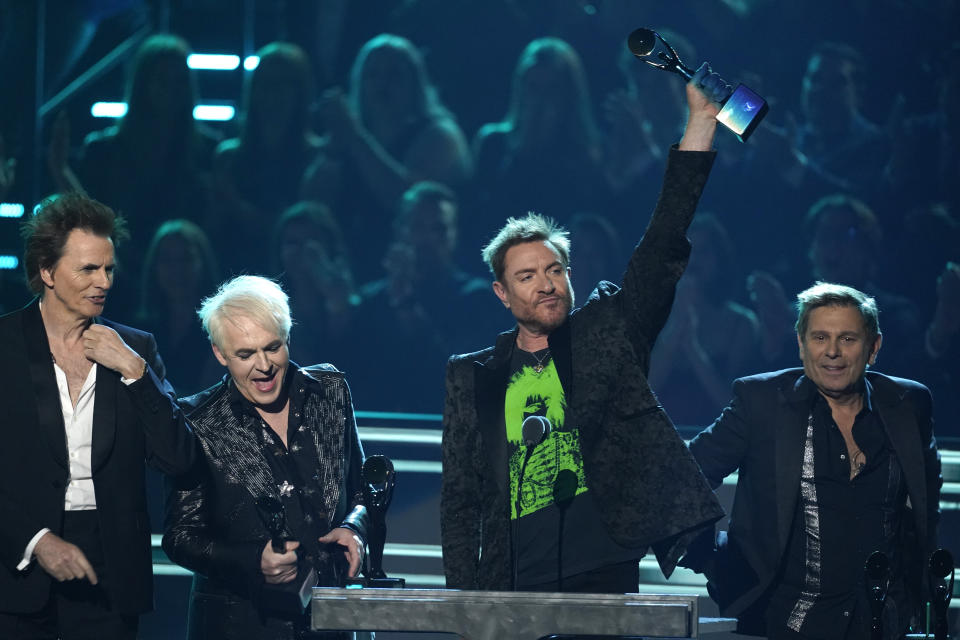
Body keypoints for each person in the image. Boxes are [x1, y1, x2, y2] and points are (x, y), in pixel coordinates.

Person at [440, 64, 729, 593]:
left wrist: (700, 125)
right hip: (511, 579)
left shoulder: (609, 335)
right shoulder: (471, 376)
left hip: (599, 573)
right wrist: (467, 603)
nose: (547, 284)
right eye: (527, 276)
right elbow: (460, 499)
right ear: (502, 294)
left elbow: (662, 241)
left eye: (555, 271)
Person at [684, 282, 941, 639]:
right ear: (801, 346)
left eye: (848, 339)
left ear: (873, 348)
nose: (832, 351)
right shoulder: (762, 402)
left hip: (884, 621)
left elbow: (927, 508)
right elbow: (682, 476)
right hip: (787, 620)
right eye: (820, 338)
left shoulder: (909, 403)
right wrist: (712, 558)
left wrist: (919, 593)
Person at [0, 192, 196, 639]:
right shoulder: (3, 346)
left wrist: (135, 373)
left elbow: (178, 457)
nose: (103, 281)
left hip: (110, 571)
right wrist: (35, 540)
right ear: (47, 272)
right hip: (17, 566)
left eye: (108, 268)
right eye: (88, 269)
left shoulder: (135, 349)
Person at [163, 275, 367, 640]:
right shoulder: (199, 421)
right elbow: (180, 537)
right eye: (245, 354)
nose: (264, 366)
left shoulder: (330, 391)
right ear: (220, 353)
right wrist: (255, 559)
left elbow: (361, 489)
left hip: (331, 620)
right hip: (241, 623)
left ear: (288, 337)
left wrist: (355, 527)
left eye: (273, 347)